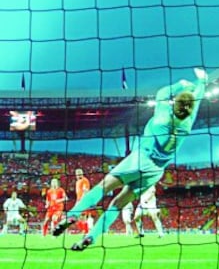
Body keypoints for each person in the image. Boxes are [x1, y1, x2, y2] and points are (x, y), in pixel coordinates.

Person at [53, 68, 208, 251]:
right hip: (155, 172)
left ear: (174, 104)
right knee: (117, 205)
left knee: (102, 187)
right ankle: (90, 238)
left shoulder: (162, 115)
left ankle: (73, 215)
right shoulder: (187, 123)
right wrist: (201, 82)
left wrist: (182, 84)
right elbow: (198, 95)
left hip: (140, 159)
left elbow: (162, 93)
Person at [74, 168, 91, 234]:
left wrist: (81, 201)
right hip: (79, 200)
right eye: (77, 174)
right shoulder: (77, 182)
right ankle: (85, 231)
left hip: (83, 201)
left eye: (79, 174)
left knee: (80, 216)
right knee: (81, 217)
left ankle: (85, 231)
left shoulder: (84, 180)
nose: (78, 176)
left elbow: (85, 191)